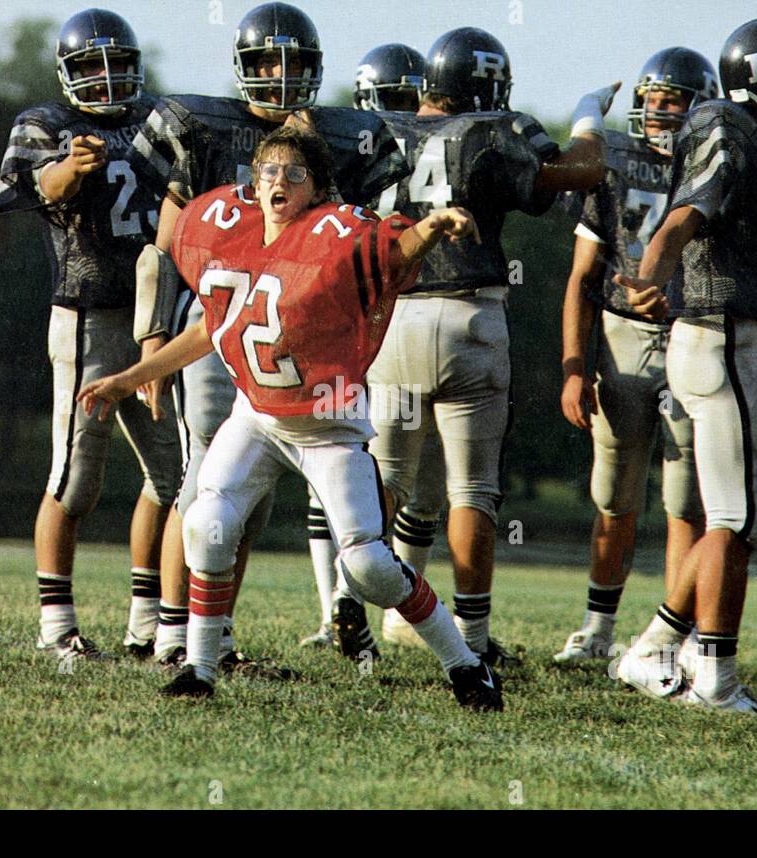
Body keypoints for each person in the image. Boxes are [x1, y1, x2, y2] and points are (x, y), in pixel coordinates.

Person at [78, 127, 503, 710]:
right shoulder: (231, 230)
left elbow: (392, 252)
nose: (280, 182)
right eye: (269, 170)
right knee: (207, 523)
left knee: (369, 567)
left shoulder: (334, 234)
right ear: (253, 178)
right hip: (256, 414)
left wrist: (431, 226)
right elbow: (211, 325)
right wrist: (135, 373)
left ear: (316, 187)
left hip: (327, 423)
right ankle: (199, 668)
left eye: (295, 174)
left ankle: (466, 666)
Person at [125, 2, 405, 674]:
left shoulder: (336, 139)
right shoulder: (200, 128)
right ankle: (174, 637)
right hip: (219, 334)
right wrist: (152, 345)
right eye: (266, 62)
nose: (279, 75)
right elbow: (164, 250)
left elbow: (358, 241)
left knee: (244, 502)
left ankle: (212, 640)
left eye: (293, 63)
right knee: (202, 485)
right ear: (244, 68)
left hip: (290, 343)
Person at [335, 26, 615, 667]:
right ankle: (473, 638)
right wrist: (587, 115)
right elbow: (582, 170)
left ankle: (351, 595)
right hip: (468, 317)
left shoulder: (376, 131)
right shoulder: (493, 130)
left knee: (388, 478)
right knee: (472, 489)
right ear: (487, 84)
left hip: (391, 323)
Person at [612, 16, 757, 714]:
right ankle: (714, 678)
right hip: (715, 341)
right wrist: (653, 271)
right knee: (738, 519)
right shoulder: (726, 129)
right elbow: (684, 217)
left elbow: (747, 256)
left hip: (736, 335)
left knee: (743, 519)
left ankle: (655, 645)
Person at [0, 8, 181, 663]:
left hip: (158, 322)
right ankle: (57, 628)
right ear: (65, 74)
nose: (105, 81)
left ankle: (146, 620)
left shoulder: (160, 117)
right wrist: (73, 168)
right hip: (89, 319)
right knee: (75, 481)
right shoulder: (46, 125)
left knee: (178, 478)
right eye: (89, 69)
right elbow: (40, 186)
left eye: (117, 66)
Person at [553, 47, 718, 665]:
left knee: (687, 504)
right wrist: (574, 365)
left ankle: (675, 641)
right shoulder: (615, 166)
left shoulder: (716, 168)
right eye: (649, 99)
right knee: (614, 496)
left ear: (700, 106)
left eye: (670, 100)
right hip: (622, 342)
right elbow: (581, 278)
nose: (655, 111)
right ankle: (599, 630)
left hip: (693, 337)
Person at [300, 41, 437, 650]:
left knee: (385, 475)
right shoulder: (344, 155)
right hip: (354, 321)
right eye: (390, 103)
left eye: (410, 101)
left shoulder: (391, 157)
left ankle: (358, 606)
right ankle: (340, 605)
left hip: (385, 317)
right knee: (346, 468)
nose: (399, 114)